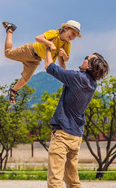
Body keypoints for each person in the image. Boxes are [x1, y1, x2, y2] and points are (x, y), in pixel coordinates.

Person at [44, 47, 109, 188]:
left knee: (55, 179)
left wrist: (48, 47)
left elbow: (49, 66)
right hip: (75, 136)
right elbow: (67, 76)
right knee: (72, 180)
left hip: (63, 135)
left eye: (87, 57)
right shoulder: (91, 83)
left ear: (89, 66)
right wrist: (61, 58)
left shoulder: (78, 77)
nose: (84, 58)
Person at [3, 20, 81, 104]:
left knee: (25, 79)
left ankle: (13, 90)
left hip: (35, 60)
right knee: (8, 53)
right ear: (65, 28)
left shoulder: (67, 44)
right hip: (30, 50)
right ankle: (10, 30)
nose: (73, 37)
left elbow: (64, 60)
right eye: (73, 33)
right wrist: (49, 44)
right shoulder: (54, 33)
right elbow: (38, 38)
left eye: (75, 36)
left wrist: (65, 55)